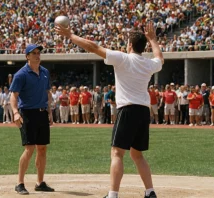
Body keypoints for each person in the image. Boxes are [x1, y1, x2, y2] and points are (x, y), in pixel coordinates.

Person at [56, 21, 163, 198]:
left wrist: (70, 36)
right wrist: (153, 39)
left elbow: (93, 47)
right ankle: (150, 192)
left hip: (127, 110)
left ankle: (112, 195)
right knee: (137, 155)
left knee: (117, 153)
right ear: (143, 47)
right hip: (143, 111)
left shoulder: (123, 58)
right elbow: (160, 58)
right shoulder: (149, 64)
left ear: (129, 45)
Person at [9, 44, 54, 195]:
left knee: (42, 148)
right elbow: (13, 96)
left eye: (38, 52)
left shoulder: (45, 72)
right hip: (27, 114)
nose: (37, 55)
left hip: (42, 114)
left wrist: (50, 112)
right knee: (29, 149)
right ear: (27, 56)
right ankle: (19, 183)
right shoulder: (21, 74)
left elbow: (47, 94)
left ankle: (40, 182)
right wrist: (15, 113)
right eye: (33, 53)